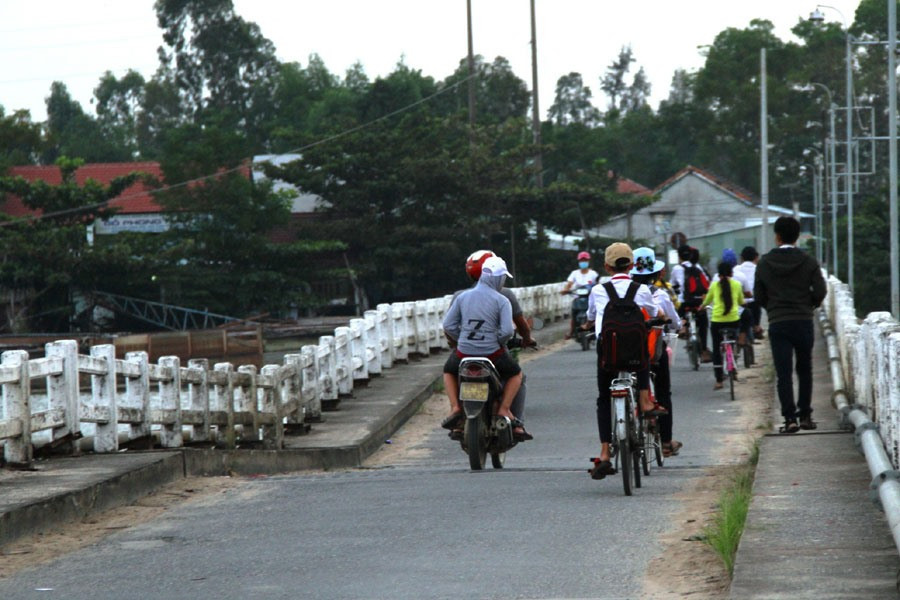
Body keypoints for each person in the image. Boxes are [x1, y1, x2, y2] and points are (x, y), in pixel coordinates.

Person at [582, 242, 666, 480]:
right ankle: (644, 400)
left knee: (602, 397)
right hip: (633, 352)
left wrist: (588, 324)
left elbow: (590, 316)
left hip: (607, 351)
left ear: (607, 266)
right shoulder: (641, 289)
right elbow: (652, 313)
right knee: (642, 358)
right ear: (631, 265)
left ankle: (605, 452)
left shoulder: (599, 290)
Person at [443, 250, 535, 440]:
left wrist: (463, 339)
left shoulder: (461, 297)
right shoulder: (503, 299)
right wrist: (498, 342)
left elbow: (448, 325)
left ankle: (455, 408)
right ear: (499, 278)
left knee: (448, 370)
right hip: (492, 354)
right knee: (516, 374)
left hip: (463, 353)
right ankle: (504, 409)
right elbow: (507, 331)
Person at [754, 216, 827, 433]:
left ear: (777, 236)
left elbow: (759, 296)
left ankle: (789, 419)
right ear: (797, 236)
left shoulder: (765, 262)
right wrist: (809, 305)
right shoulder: (808, 261)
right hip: (803, 321)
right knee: (804, 369)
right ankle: (805, 415)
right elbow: (821, 291)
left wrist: (773, 309)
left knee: (783, 372)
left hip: (779, 322)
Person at [630, 247, 683, 457]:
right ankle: (667, 442)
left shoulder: (625, 292)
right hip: (652, 353)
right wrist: (678, 326)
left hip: (627, 352)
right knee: (664, 392)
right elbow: (675, 322)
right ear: (655, 273)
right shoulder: (659, 294)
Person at [700, 262, 745, 390]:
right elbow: (741, 301)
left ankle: (719, 380)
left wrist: (701, 307)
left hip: (717, 322)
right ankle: (733, 361)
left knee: (716, 348)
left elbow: (707, 301)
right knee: (732, 341)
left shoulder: (714, 285)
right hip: (733, 320)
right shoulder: (736, 285)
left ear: (718, 274)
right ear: (731, 273)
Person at [672, 245, 711, 362]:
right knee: (703, 323)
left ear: (679, 257)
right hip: (699, 301)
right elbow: (707, 282)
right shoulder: (698, 267)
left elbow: (672, 285)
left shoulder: (677, 269)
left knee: (679, 310)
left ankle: (683, 328)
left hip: (685, 302)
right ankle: (704, 350)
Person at [717, 248, 753, 348]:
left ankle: (717, 355)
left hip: (719, 315)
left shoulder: (716, 278)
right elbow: (748, 293)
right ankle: (742, 337)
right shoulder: (740, 276)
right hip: (737, 313)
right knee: (747, 314)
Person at [560, 251, 600, 339]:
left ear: (588, 261)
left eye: (585, 260)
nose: (583, 262)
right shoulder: (575, 273)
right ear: (579, 261)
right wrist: (566, 290)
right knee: (573, 313)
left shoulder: (593, 274)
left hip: (590, 298)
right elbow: (569, 284)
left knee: (597, 312)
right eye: (582, 260)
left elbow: (597, 284)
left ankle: (598, 328)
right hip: (578, 297)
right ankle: (571, 331)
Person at [735, 246, 763, 339]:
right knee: (757, 305)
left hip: (739, 303)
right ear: (756, 257)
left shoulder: (736, 269)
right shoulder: (759, 268)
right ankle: (756, 327)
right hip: (753, 303)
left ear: (741, 258)